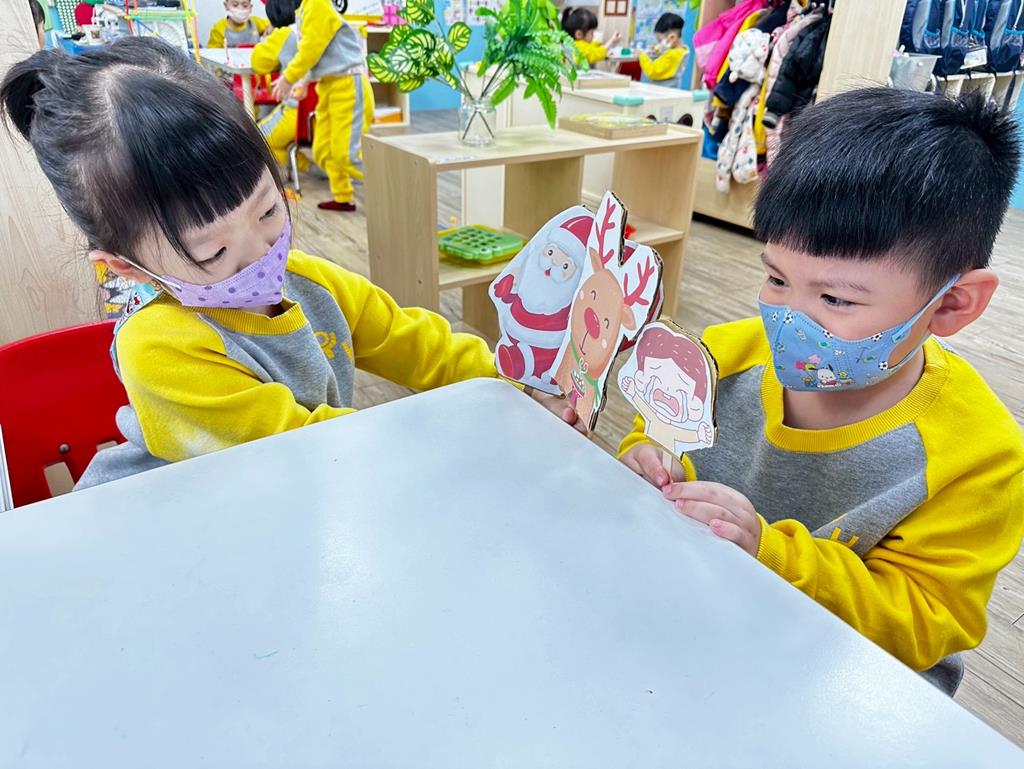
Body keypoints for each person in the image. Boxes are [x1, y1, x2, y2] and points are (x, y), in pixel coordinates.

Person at [0, 38, 578, 489]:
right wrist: (466, 435)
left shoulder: (313, 284)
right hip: (182, 519)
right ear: (127, 267)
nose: (261, 255)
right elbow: (301, 448)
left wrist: (518, 387)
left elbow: (421, 346)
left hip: (300, 491)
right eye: (213, 253)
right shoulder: (160, 348)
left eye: (268, 210)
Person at [619, 87, 1024, 696]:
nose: (789, 320)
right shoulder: (722, 357)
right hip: (700, 628)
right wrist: (644, 460)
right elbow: (655, 434)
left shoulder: (977, 456)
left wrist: (771, 554)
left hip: (849, 685)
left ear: (951, 305)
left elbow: (925, 621)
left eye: (835, 299)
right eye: (777, 278)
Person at [270, 0, 372, 212]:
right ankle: (343, 197)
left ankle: (393, 187)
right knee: (323, 150)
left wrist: (289, 78)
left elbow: (312, 48)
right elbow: (316, 50)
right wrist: (304, 81)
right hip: (328, 86)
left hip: (348, 85)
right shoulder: (305, 9)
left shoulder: (318, 4)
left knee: (347, 155)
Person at [252, 0, 315, 175]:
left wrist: (271, 36)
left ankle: (303, 169)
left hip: (297, 113)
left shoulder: (285, 34)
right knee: (282, 140)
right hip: (327, 111)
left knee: (257, 139)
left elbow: (258, 63)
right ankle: (309, 168)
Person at [639, 12, 687, 88]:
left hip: (662, 91)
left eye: (660, 40)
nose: (659, 43)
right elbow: (664, 57)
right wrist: (658, 50)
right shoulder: (682, 50)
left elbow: (652, 71)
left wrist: (641, 55)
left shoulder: (672, 55)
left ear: (672, 37)